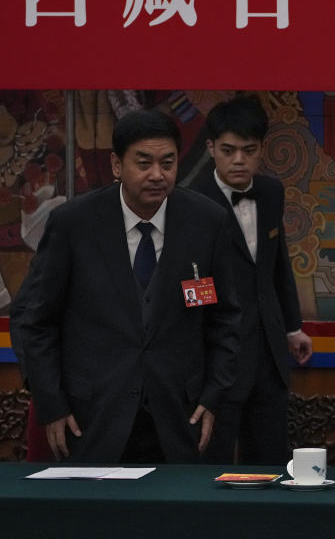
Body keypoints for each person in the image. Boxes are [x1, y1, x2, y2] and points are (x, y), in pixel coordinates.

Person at [12, 108, 241, 463]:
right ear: (117, 165)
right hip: (91, 418)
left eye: (168, 163)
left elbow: (225, 319)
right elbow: (37, 321)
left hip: (180, 419)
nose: (157, 175)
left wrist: (213, 396)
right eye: (144, 163)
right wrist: (51, 403)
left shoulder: (207, 222)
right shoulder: (74, 224)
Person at [192, 95, 312, 465]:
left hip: (269, 350)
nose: (239, 160)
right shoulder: (191, 201)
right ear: (211, 148)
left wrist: (292, 327)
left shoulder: (272, 192)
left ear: (262, 149)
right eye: (228, 150)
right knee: (212, 461)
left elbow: (277, 266)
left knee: (271, 459)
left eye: (249, 150)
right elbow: (191, 282)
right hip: (217, 358)